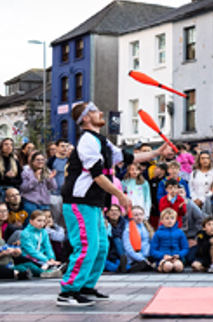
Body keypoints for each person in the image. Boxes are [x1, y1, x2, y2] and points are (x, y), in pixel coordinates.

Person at [57, 101, 167, 307]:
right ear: (86, 118)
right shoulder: (87, 141)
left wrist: (155, 153)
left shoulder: (102, 141)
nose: (101, 112)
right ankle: (68, 291)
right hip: (79, 202)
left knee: (101, 246)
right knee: (86, 246)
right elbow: (96, 175)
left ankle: (86, 287)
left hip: (93, 203)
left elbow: (128, 157)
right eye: (95, 111)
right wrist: (121, 195)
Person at [149, 208, 188, 273]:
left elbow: (185, 248)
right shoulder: (158, 233)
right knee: (168, 266)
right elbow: (153, 250)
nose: (170, 221)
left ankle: (169, 267)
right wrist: (163, 256)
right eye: (167, 218)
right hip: (163, 258)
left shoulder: (180, 232)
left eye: (172, 218)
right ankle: (159, 266)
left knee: (178, 267)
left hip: (176, 257)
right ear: (162, 220)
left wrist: (179, 255)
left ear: (175, 220)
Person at [0, 138, 23, 202]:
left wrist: (11, 179)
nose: (9, 146)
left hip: (12, 192)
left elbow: (19, 180)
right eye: (6, 144)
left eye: (11, 145)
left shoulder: (15, 162)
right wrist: (4, 177)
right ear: (1, 146)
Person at [122, 206, 153, 273]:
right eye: (136, 215)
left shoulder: (146, 228)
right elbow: (128, 247)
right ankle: (128, 267)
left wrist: (147, 256)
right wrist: (141, 258)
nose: (139, 217)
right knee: (143, 265)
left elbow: (148, 243)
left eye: (141, 214)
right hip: (134, 258)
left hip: (145, 256)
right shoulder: (128, 230)